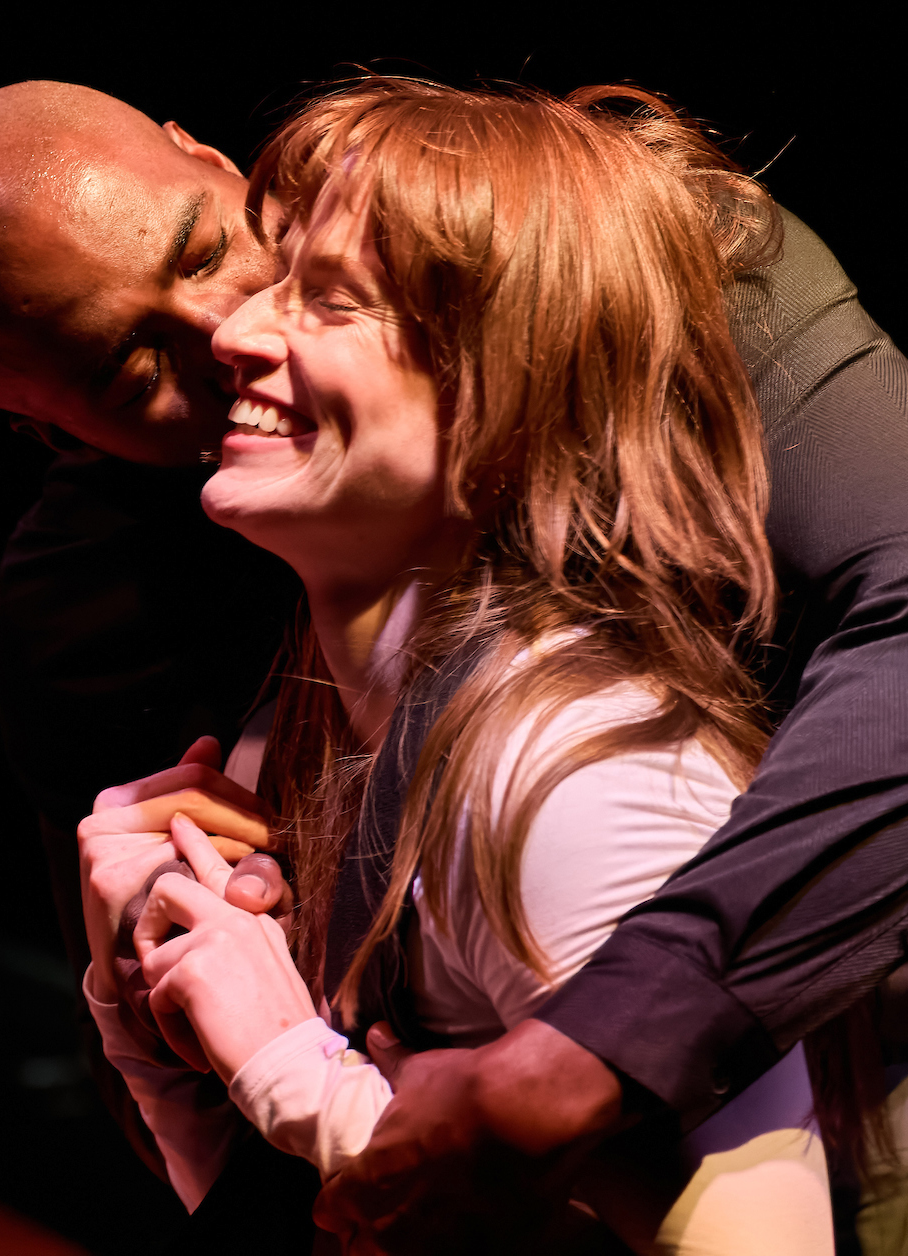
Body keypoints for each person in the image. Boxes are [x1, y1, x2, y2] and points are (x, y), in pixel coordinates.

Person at [0, 80, 908, 1252]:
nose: (226, 333)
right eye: (132, 367)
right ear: (50, 433)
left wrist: (578, 1049)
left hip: (796, 1091)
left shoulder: (605, 263)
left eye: (210, 252)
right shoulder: (95, 610)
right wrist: (155, 1002)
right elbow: (257, 1178)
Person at [81, 78, 835, 1251]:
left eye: (329, 301)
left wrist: (301, 1078)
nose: (233, 333)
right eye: (274, 281)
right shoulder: (311, 725)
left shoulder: (582, 771)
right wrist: (158, 1022)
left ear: (504, 391)